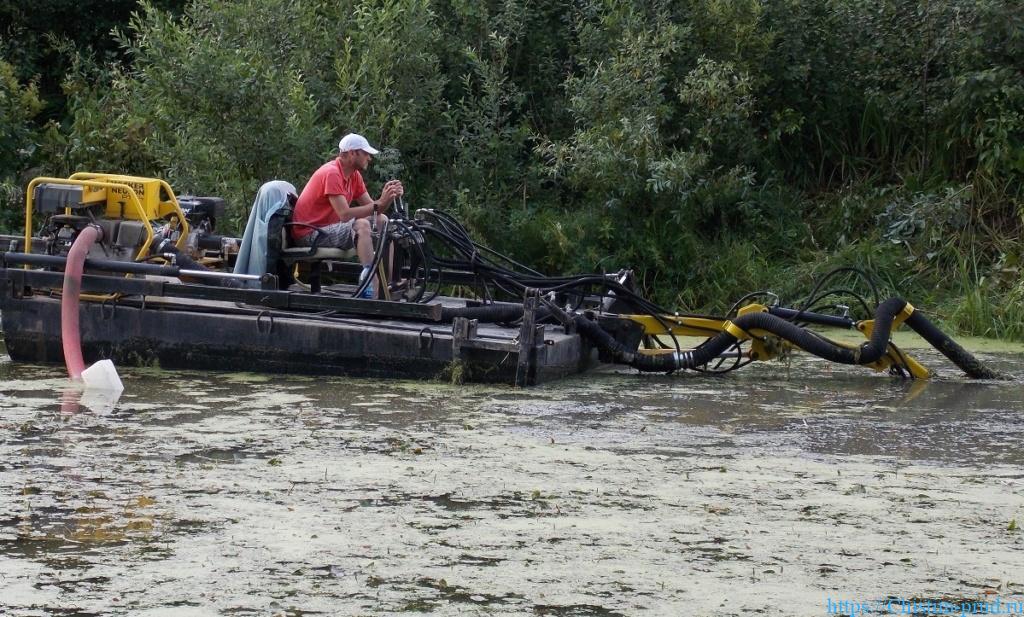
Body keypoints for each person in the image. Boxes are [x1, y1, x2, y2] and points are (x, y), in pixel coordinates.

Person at [291, 133, 404, 297]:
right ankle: (369, 283)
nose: (369, 158)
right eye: (365, 154)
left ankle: (387, 284)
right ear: (352, 153)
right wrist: (379, 203)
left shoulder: (354, 176)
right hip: (310, 233)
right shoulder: (332, 173)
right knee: (362, 225)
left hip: (328, 229)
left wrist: (389, 197)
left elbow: (374, 209)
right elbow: (344, 214)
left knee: (383, 221)